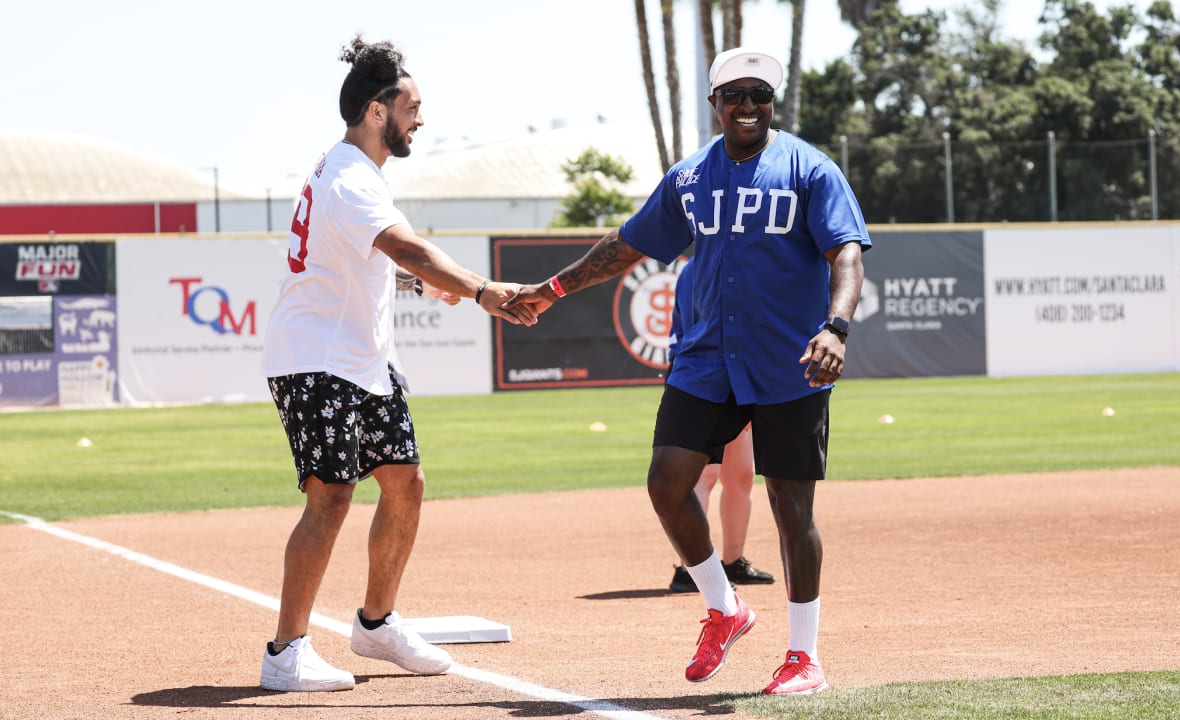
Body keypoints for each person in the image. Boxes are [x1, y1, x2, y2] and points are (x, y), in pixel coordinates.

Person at [506, 46, 869, 696]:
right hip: (706, 358)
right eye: (736, 95)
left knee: (792, 504)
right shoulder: (689, 178)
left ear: (771, 102)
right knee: (667, 482)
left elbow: (846, 253)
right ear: (715, 105)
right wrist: (552, 289)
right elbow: (627, 245)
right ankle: (725, 608)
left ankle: (803, 657)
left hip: (791, 362)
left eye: (759, 93)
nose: (748, 105)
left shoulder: (810, 170)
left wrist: (836, 328)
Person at [257, 36, 536, 693]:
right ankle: (284, 652)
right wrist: (480, 289)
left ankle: (376, 624)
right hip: (317, 360)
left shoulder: (356, 172)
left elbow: (370, 260)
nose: (420, 119)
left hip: (363, 362)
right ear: (378, 110)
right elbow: (402, 246)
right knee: (330, 498)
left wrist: (423, 283)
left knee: (405, 484)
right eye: (412, 106)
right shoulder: (352, 175)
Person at [666, 261, 774, 594]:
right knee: (705, 475)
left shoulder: (744, 263)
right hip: (705, 377)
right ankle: (692, 569)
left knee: (740, 475)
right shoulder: (697, 270)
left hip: (741, 377)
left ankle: (733, 562)